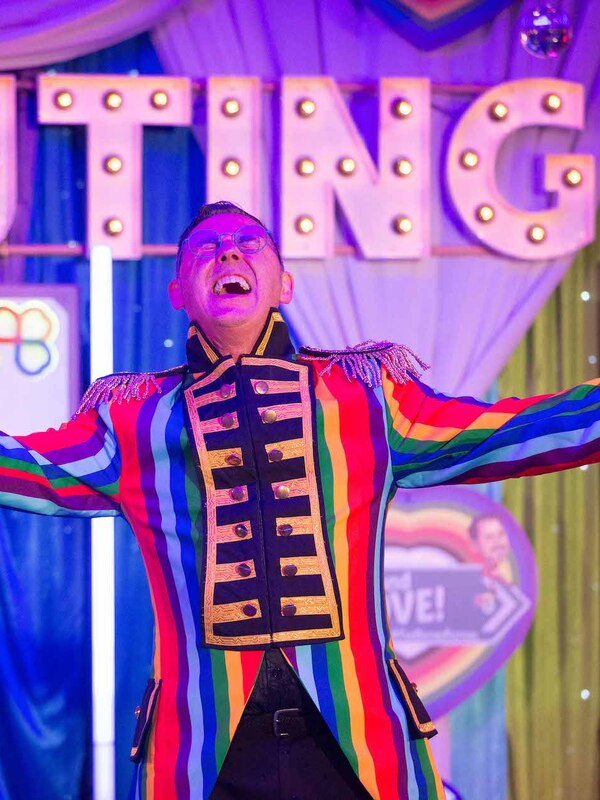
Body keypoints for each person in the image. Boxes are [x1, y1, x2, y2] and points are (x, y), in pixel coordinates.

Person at [1, 200, 599, 800]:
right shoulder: (133, 417)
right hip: (204, 750)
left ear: (284, 284)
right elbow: (28, 468)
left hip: (358, 741)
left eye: (248, 243)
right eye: (206, 248)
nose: (228, 252)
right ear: (178, 290)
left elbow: (504, 429)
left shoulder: (365, 395)